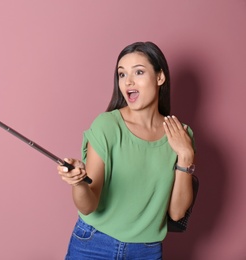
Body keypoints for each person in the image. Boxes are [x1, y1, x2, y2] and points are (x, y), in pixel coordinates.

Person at [57, 41, 195, 260]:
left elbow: (177, 213)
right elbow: (89, 205)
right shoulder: (107, 126)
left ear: (160, 77)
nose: (128, 81)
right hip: (94, 244)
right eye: (122, 74)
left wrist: (186, 156)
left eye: (138, 72)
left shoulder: (180, 134)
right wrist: (78, 182)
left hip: (146, 250)